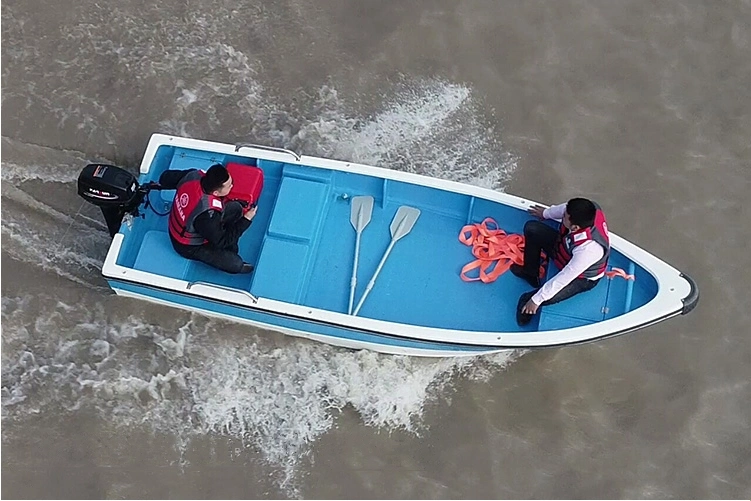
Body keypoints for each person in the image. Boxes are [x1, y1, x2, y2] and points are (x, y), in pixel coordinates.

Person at [510, 197, 610, 325]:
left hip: (581, 277)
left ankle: (527, 309)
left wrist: (535, 300)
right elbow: (564, 208)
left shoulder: (589, 250)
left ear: (575, 227)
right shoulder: (588, 209)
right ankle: (530, 273)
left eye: (564, 217)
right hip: (565, 251)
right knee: (532, 229)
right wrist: (545, 213)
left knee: (531, 298)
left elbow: (564, 278)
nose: (562, 214)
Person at [159, 163, 257, 274]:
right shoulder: (207, 215)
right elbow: (222, 241)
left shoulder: (192, 175)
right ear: (215, 192)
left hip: (188, 221)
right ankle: (235, 260)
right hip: (187, 245)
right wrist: (246, 220)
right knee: (235, 264)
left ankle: (229, 238)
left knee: (235, 208)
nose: (232, 186)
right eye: (229, 185)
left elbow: (165, 178)